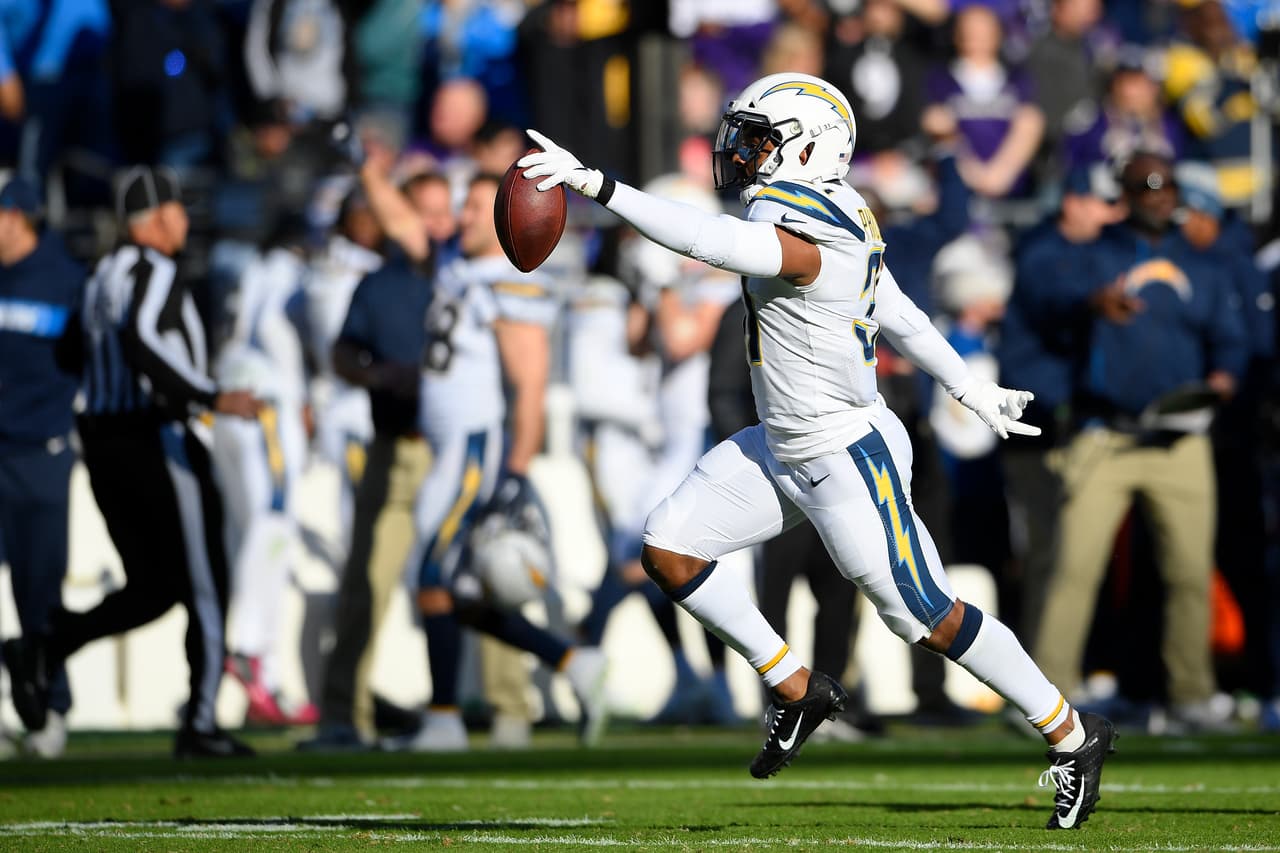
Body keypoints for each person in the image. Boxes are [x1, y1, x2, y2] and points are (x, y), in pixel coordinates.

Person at [519, 71, 1116, 830]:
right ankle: (798, 686)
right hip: (782, 441)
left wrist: (600, 185)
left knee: (924, 615)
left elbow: (712, 241)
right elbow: (896, 306)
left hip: (843, 451)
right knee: (669, 546)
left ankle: (1072, 732)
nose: (739, 153)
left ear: (806, 148)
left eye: (757, 139)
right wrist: (969, 385)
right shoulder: (833, 207)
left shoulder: (808, 229)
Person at [2, 166, 262, 758]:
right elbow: (143, 340)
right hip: (155, 438)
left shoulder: (99, 275)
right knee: (204, 581)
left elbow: (73, 349)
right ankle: (201, 720)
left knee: (155, 585)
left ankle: (47, 643)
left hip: (103, 444)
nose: (186, 222)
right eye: (178, 210)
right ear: (161, 217)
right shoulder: (153, 270)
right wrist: (209, 396)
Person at [1032, 150, 1248, 731]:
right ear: (1124, 193)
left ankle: (1192, 695)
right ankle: (1044, 697)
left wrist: (1222, 383)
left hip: (1179, 440)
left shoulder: (1204, 265)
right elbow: (1040, 300)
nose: (1158, 193)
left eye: (1166, 183)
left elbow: (1231, 341)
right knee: (1075, 568)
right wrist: (1088, 304)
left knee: (1188, 571)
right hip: (1107, 436)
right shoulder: (1091, 256)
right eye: (1144, 184)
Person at [398, 173, 607, 751]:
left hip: (472, 450)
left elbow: (531, 385)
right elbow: (402, 222)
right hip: (448, 447)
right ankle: (572, 661)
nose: (461, 218)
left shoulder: (509, 283)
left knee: (434, 575)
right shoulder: (463, 270)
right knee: (461, 592)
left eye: (473, 208)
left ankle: (442, 718)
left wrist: (515, 471)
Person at [212, 216, 318, 727]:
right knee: (274, 521)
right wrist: (301, 393)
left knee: (246, 534)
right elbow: (275, 328)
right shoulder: (285, 272)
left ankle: (264, 680)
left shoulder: (243, 268)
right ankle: (251, 650)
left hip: (230, 400)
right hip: (266, 402)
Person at [0, 177, 83, 758]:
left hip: (42, 452)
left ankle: (48, 707)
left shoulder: (66, 279)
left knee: (39, 587)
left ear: (18, 216)